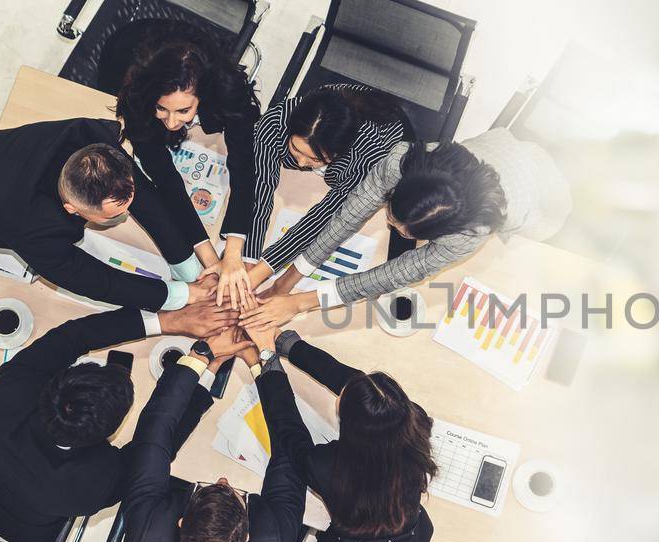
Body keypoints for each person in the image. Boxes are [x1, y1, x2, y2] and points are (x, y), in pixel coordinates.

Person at [0, 301, 237, 542]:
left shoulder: (3, 397)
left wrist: (171, 321)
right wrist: (207, 367)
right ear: (110, 433)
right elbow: (158, 445)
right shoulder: (94, 482)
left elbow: (71, 336)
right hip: (18, 532)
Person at [239, 128, 571, 334]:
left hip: (544, 198)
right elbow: (345, 218)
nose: (390, 227)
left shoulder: (470, 232)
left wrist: (302, 303)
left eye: (404, 230)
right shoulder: (402, 160)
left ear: (442, 233)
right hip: (500, 147)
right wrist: (288, 279)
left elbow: (396, 274)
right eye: (392, 215)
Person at [0, 118, 218, 312]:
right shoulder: (31, 226)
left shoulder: (90, 142)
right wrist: (180, 296)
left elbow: (143, 197)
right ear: (71, 208)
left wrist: (187, 267)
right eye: (115, 215)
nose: (128, 213)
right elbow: (94, 279)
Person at [119, 330, 306, 542]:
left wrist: (202, 359)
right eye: (236, 492)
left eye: (211, 487)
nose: (223, 478)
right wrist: (261, 365)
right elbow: (292, 453)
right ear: (246, 537)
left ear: (180, 522)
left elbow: (155, 429)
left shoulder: (146, 537)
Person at [259, 329, 437, 542]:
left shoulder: (329, 466)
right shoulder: (411, 422)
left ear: (352, 426)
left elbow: (289, 433)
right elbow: (361, 391)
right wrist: (291, 346)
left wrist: (267, 362)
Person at [208, 84, 413, 310]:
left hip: (390, 135)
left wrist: (261, 272)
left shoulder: (367, 155)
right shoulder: (275, 122)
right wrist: (247, 259)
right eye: (296, 150)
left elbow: (322, 217)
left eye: (316, 159)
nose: (302, 163)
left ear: (339, 152)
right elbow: (260, 188)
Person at [115, 23, 260, 282]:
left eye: (183, 111)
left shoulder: (227, 90)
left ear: (203, 97)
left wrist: (234, 254)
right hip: (127, 47)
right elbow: (165, 177)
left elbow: (244, 165)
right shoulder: (139, 93)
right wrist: (210, 258)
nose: (171, 123)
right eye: (162, 108)